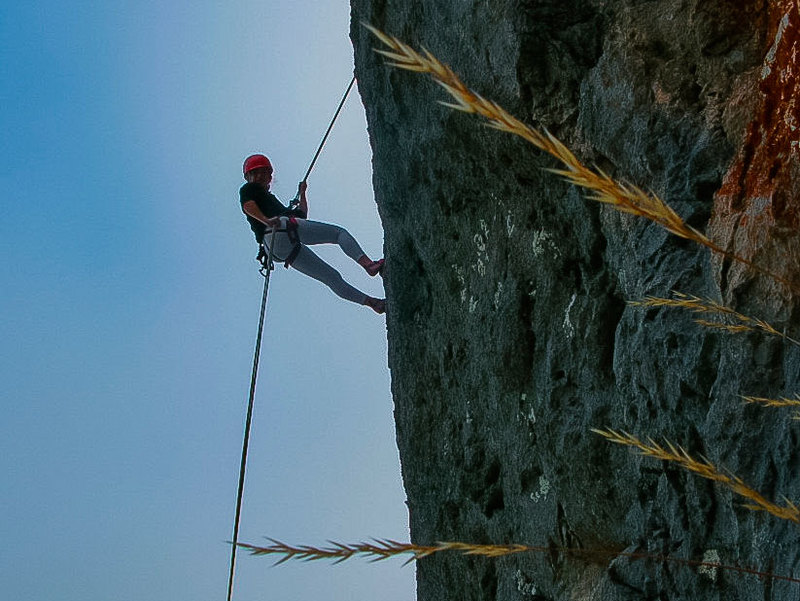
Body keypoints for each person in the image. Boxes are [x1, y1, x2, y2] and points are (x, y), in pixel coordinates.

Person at [239, 153, 386, 314]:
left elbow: (301, 216)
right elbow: (248, 206)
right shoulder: (249, 189)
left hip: (277, 249)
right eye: (256, 173)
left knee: (330, 277)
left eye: (263, 172)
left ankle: (374, 304)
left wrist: (302, 193)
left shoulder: (269, 200)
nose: (260, 176)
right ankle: (368, 264)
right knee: (338, 234)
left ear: (269, 175)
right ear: (249, 177)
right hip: (277, 229)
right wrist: (266, 221)